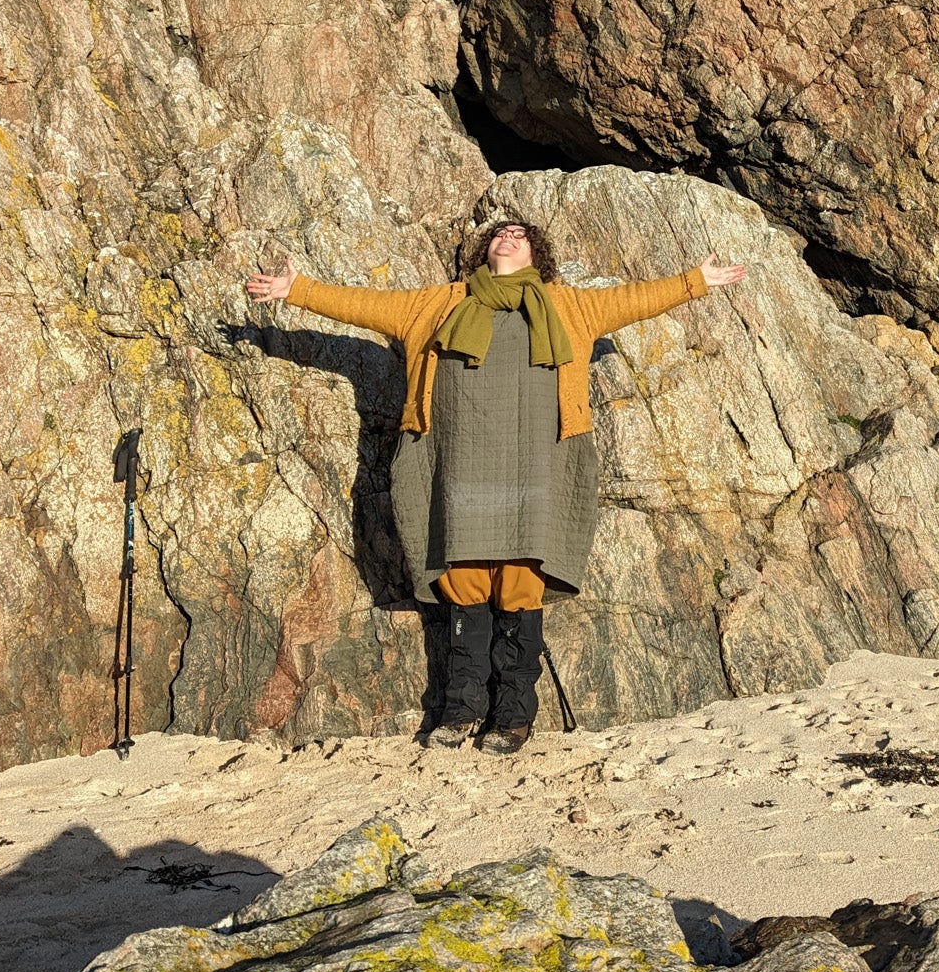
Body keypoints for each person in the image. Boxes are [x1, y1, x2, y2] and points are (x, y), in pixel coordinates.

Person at [247, 221, 745, 753]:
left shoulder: (569, 306)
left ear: (536, 253)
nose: (508, 237)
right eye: (500, 233)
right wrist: (297, 290)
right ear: (486, 249)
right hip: (458, 463)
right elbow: (365, 306)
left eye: (521, 235)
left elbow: (634, 298)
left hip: (536, 464)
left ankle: (512, 714)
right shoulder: (438, 304)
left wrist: (696, 280)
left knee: (519, 582)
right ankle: (460, 710)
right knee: (464, 582)